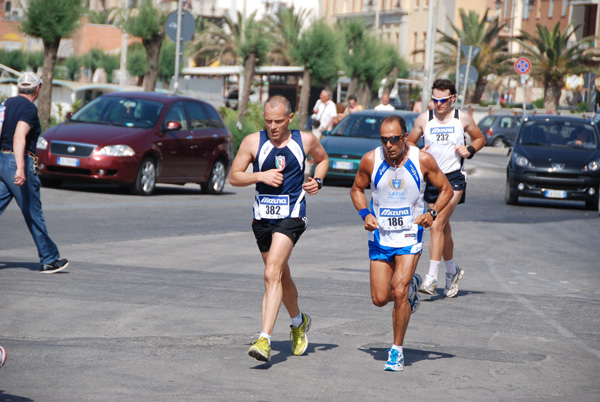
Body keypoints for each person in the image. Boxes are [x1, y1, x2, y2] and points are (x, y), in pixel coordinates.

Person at [229, 95, 329, 363]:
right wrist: (259, 176)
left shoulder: (304, 140)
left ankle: (264, 339)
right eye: (268, 121)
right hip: (262, 218)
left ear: (290, 119)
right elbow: (234, 176)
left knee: (271, 271)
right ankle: (298, 322)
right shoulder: (253, 141)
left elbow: (323, 159)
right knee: (280, 276)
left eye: (278, 121)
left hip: (293, 215)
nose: (273, 126)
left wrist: (317, 181)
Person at [351, 115, 452, 371]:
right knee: (379, 298)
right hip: (381, 236)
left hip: (410, 234)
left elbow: (446, 189)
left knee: (399, 291)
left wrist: (431, 213)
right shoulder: (371, 160)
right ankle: (412, 289)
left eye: (394, 139)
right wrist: (366, 214)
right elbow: (356, 189)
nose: (388, 145)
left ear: (405, 137)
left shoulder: (422, 160)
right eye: (384, 139)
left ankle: (396, 350)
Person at [407, 78, 485, 298]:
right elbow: (410, 143)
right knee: (443, 228)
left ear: (452, 98)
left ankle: (431, 278)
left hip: (454, 179)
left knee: (436, 222)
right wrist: (420, 149)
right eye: (434, 100)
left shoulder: (463, 119)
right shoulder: (424, 119)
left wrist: (469, 149)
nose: (438, 104)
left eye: (442, 100)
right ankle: (452, 271)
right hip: (432, 179)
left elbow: (480, 138)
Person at [0, 71, 69, 274]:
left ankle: (49, 256)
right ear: (37, 89)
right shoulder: (29, 109)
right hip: (17, 161)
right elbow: (19, 136)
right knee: (33, 212)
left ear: (20, 87)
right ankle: (49, 259)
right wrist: (20, 167)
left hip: (1, 159)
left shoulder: (5, 104)